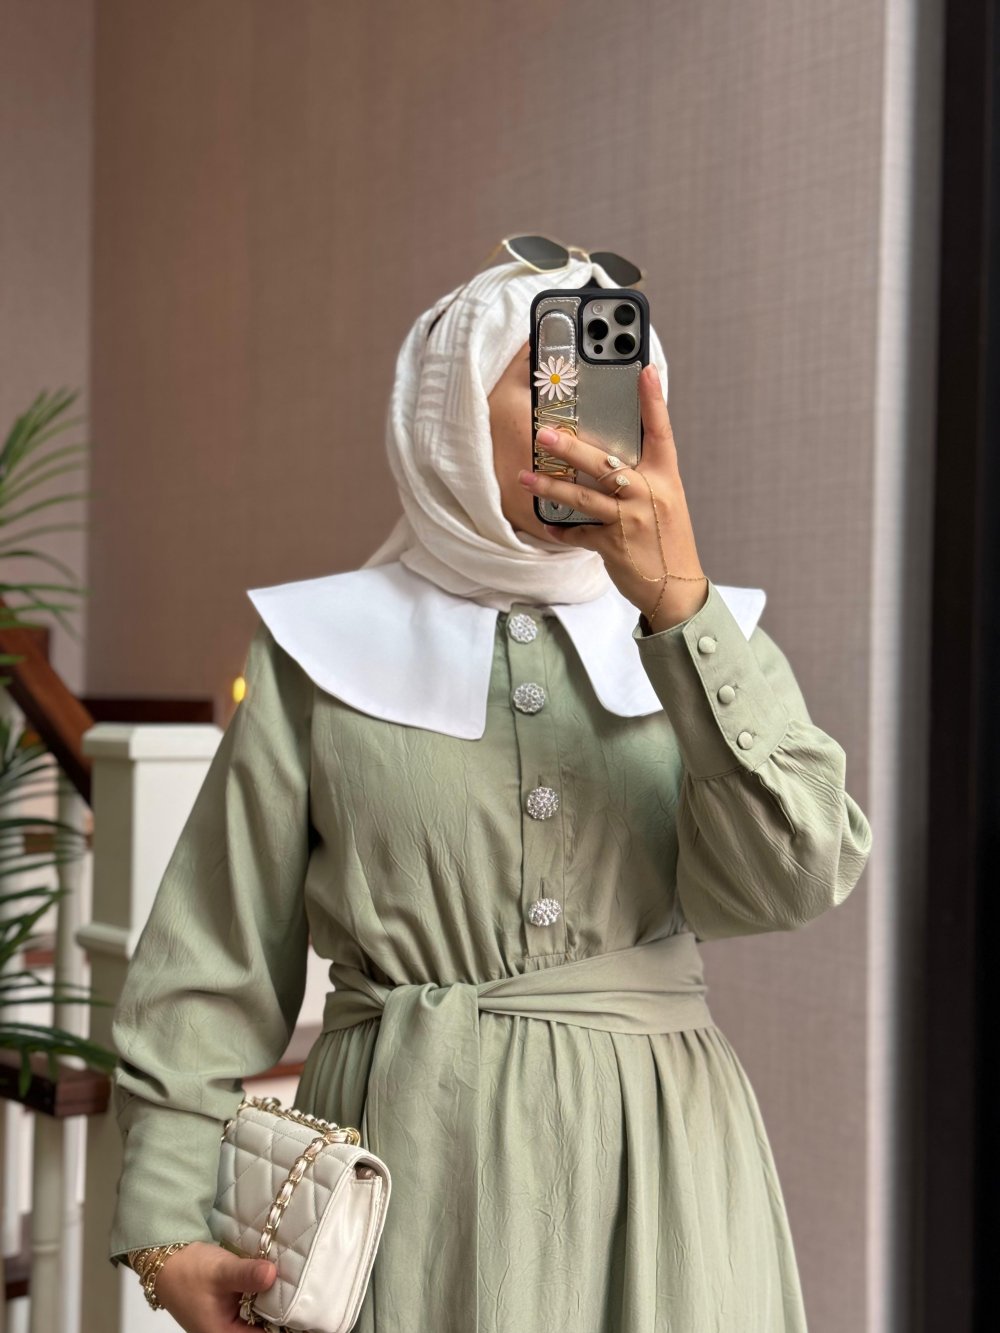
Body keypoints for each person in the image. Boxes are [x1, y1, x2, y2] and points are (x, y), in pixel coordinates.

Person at [108, 250, 873, 1332]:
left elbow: (794, 878)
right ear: (453, 409)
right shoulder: (318, 648)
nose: (588, 416)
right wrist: (167, 1229)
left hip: (656, 1180)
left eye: (616, 380)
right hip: (399, 1185)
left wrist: (678, 611)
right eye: (548, 375)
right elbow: (210, 955)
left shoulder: (711, 636)